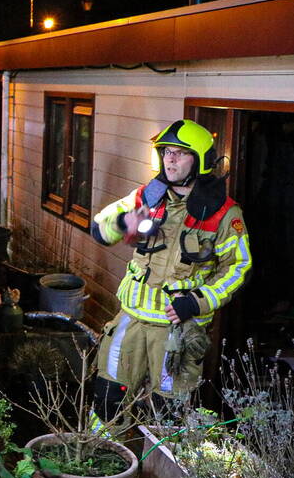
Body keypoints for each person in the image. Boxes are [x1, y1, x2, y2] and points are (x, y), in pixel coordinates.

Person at [89, 119, 252, 432]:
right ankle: (98, 460)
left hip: (176, 329)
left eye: (180, 153)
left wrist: (198, 302)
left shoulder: (223, 213)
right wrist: (123, 223)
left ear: (200, 160)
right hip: (130, 320)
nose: (170, 159)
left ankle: (159, 465)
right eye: (166, 152)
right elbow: (99, 228)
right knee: (107, 401)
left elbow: (238, 269)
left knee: (168, 417)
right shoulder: (146, 196)